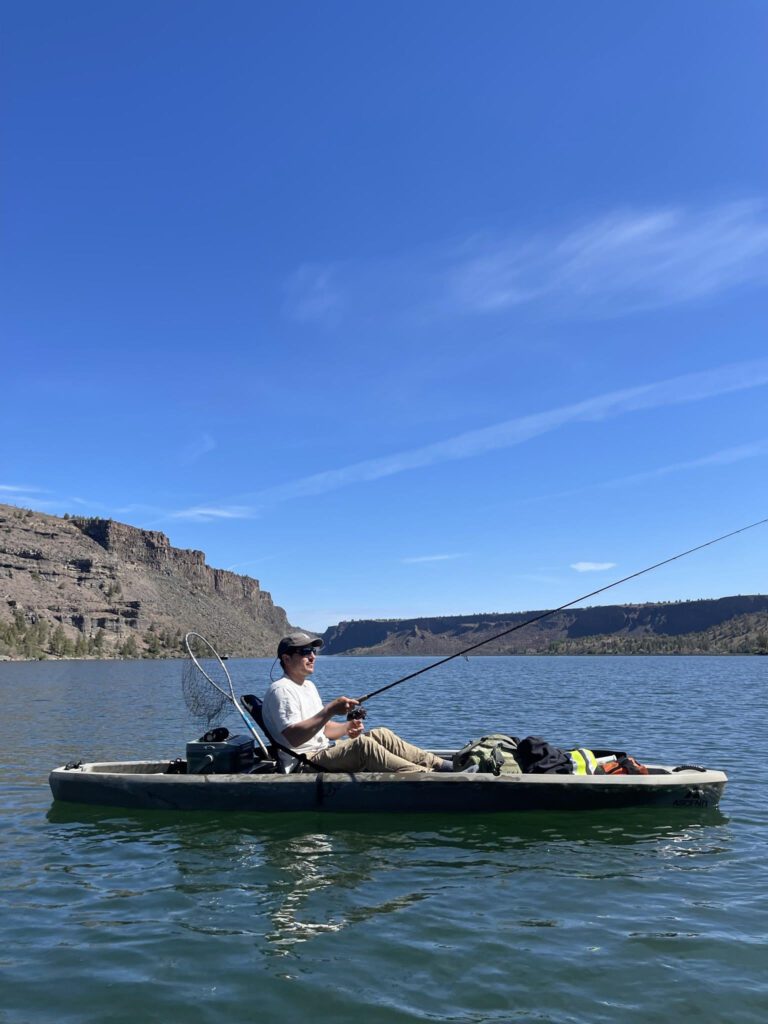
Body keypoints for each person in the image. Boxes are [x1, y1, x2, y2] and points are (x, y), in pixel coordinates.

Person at [262, 632, 474, 773]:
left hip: (323, 751)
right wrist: (329, 710)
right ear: (286, 659)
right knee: (364, 745)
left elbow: (323, 730)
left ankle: (446, 766)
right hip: (304, 763)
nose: (312, 657)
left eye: (313, 651)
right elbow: (295, 737)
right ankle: (428, 776)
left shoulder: (308, 687)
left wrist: (347, 727)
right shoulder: (281, 690)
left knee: (381, 733)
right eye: (305, 652)